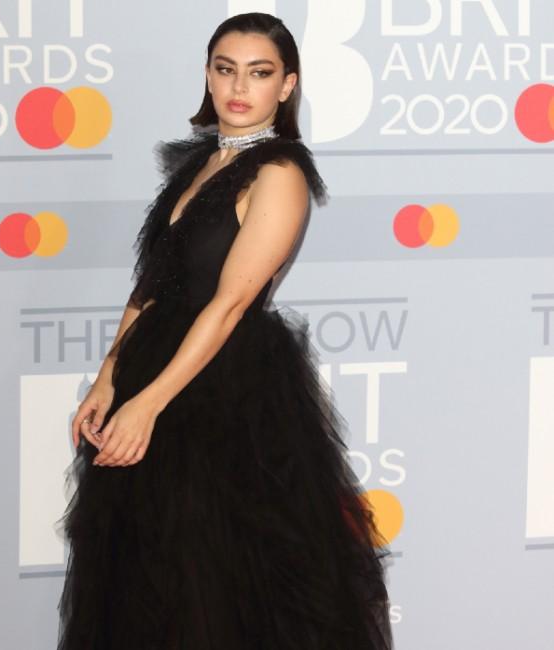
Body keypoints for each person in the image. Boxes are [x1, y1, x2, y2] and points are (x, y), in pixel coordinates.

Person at [56, 11, 394, 650]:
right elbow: (153, 286)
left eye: (259, 73)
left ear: (287, 86)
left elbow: (230, 304)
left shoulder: (279, 174)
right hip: (155, 374)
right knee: (149, 584)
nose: (239, 87)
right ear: (208, 76)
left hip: (224, 397)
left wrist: (148, 404)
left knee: (213, 584)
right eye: (226, 69)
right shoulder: (200, 164)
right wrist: (109, 378)